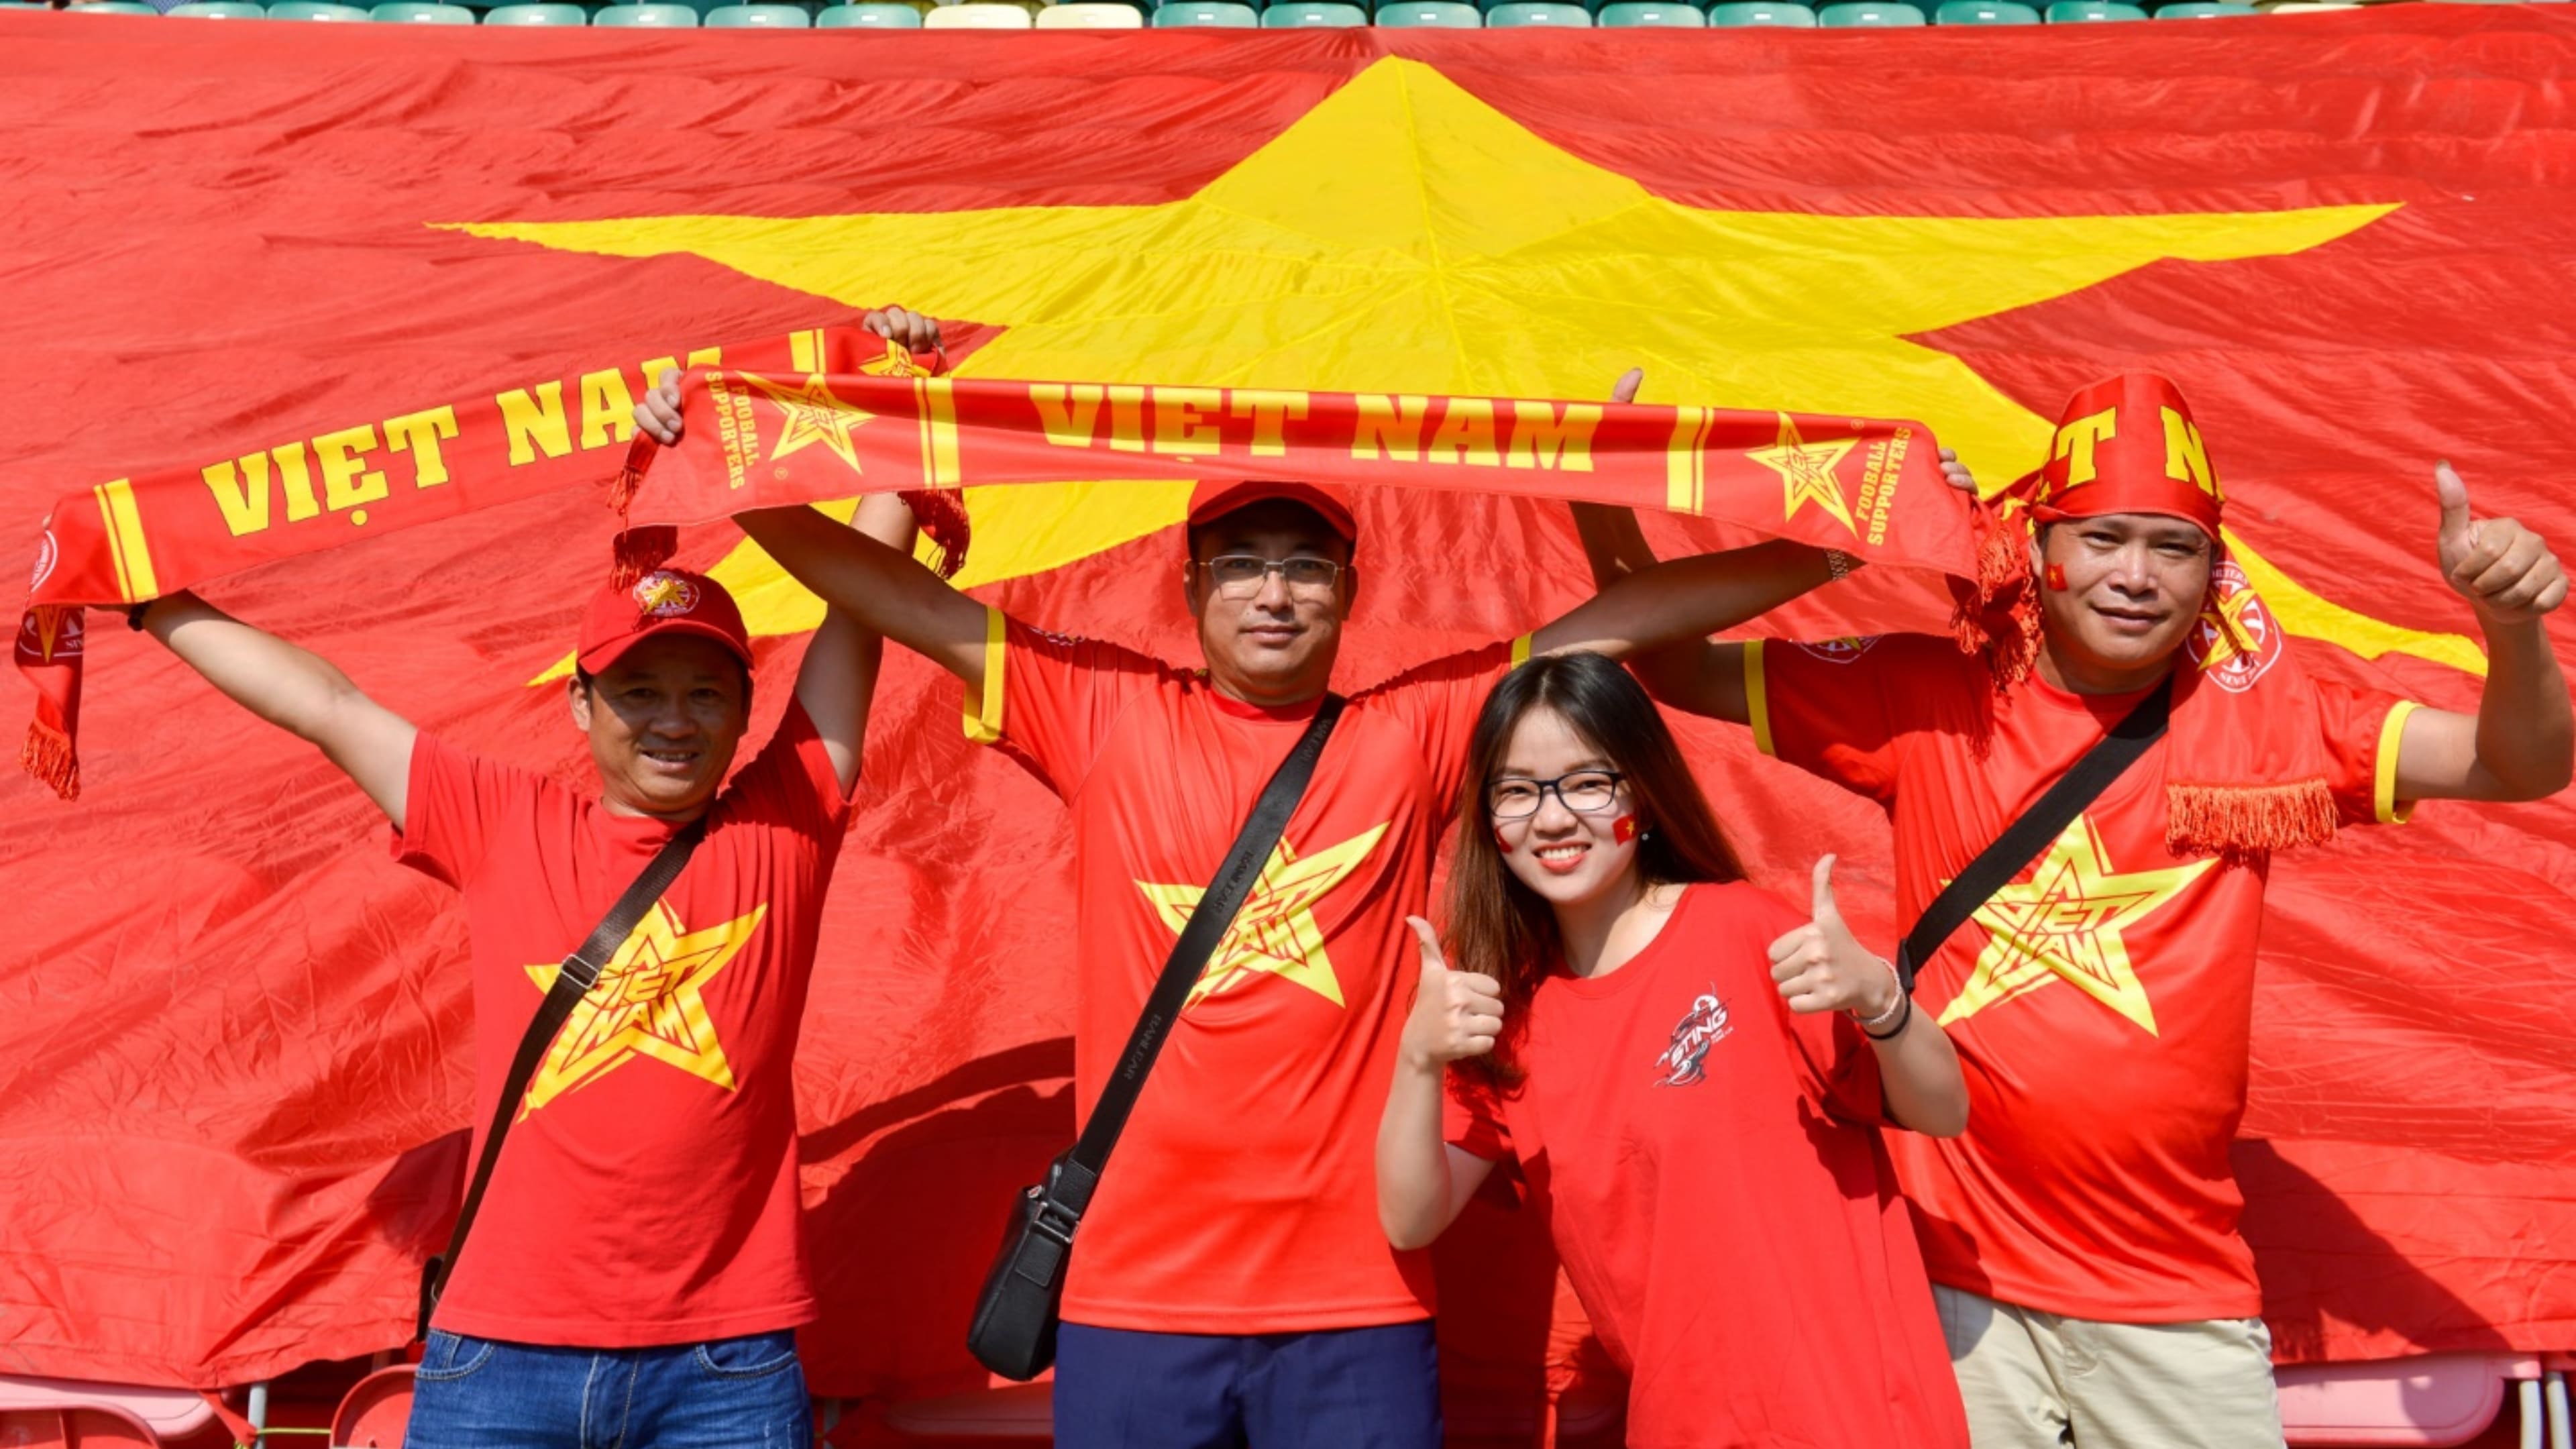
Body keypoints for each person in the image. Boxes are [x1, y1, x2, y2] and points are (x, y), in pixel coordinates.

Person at [635, 344, 1979, 1448]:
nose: (1273, 592)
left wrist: (1854, 529)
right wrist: (726, 471)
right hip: (1132, 1300)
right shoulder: (1094, 706)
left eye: (1304, 565)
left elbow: (1633, 624)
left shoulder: (1416, 728)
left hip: (1359, 1307)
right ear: (1193, 585)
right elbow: (883, 589)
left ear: (1348, 590)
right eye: (1242, 563)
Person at [1574, 372, 2573, 1447]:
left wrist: (2510, 630)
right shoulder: (1928, 694)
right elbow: (1668, 664)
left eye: (2172, 547)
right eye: (2101, 540)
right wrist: (1650, 498)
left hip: (2172, 1299)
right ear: (2038, 549)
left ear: (2213, 570)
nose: (2136, 576)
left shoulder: (2276, 725)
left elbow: (2512, 765)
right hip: (1951, 1278)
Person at [119, 308, 943, 1449]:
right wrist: (152, 603)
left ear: (749, 712)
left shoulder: (787, 822)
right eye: (639, 691)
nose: (673, 721)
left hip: (725, 1368)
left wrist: (888, 409)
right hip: (499, 1357)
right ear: (580, 705)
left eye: (707, 693)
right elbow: (326, 706)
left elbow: (863, 604)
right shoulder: (502, 821)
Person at [1377, 649, 1974, 1448]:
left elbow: (1943, 1109)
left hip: (1855, 1416)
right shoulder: (1509, 1014)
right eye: (1517, 792)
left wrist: (1880, 999)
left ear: (1645, 795)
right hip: (1681, 1424)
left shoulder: (1743, 929)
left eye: (1589, 783)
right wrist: (1418, 1060)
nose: (1553, 819)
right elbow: (1412, 1218)